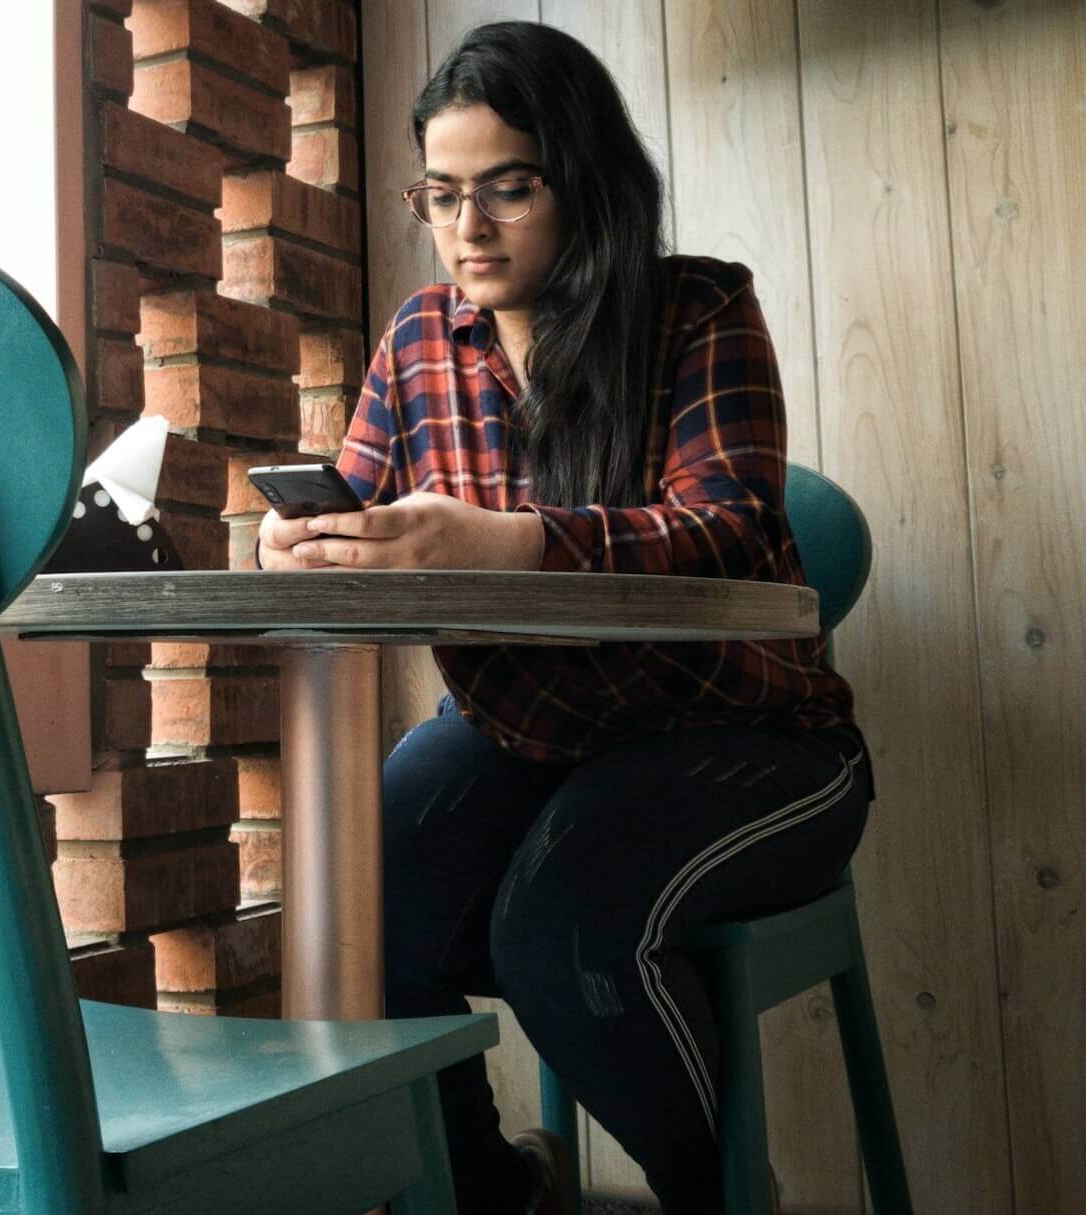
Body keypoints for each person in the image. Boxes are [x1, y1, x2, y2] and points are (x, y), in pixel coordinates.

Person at [256, 20, 874, 1215]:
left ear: (580, 182)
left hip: (756, 742)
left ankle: (722, 1196)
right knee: (354, 908)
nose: (466, 229)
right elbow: (367, 520)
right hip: (517, 730)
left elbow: (730, 524)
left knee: (560, 929)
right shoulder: (418, 341)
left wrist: (507, 539)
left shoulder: (694, 310)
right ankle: (492, 1194)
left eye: (507, 189)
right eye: (439, 194)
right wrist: (310, 539)